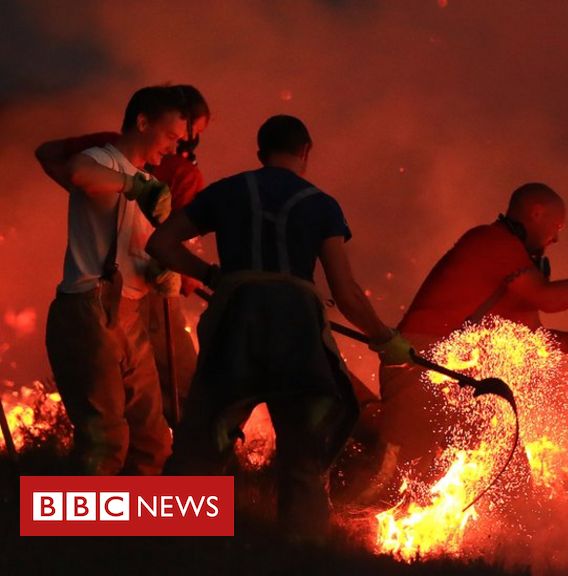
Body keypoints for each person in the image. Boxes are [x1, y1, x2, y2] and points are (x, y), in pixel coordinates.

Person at [147, 114, 412, 538]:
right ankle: (300, 558)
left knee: (199, 448)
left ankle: (172, 548)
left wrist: (214, 276)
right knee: (303, 460)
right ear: (306, 152)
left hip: (235, 327)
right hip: (298, 336)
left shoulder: (229, 191)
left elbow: (160, 243)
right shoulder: (321, 205)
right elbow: (345, 291)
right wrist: (385, 339)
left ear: (260, 153)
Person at [362, 182, 568, 500]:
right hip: (420, 364)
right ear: (536, 213)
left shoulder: (516, 266)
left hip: (451, 377)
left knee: (504, 458)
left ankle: (512, 539)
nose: (558, 238)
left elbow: (531, 335)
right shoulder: (492, 242)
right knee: (393, 475)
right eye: (557, 226)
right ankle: (338, 522)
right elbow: (546, 298)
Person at [36, 85, 211, 427]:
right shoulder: (169, 172)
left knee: (144, 427)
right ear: (147, 123)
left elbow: (47, 154)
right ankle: (197, 469)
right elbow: (77, 172)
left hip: (134, 291)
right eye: (185, 134)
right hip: (128, 299)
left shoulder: (130, 162)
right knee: (182, 393)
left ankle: (158, 473)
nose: (184, 144)